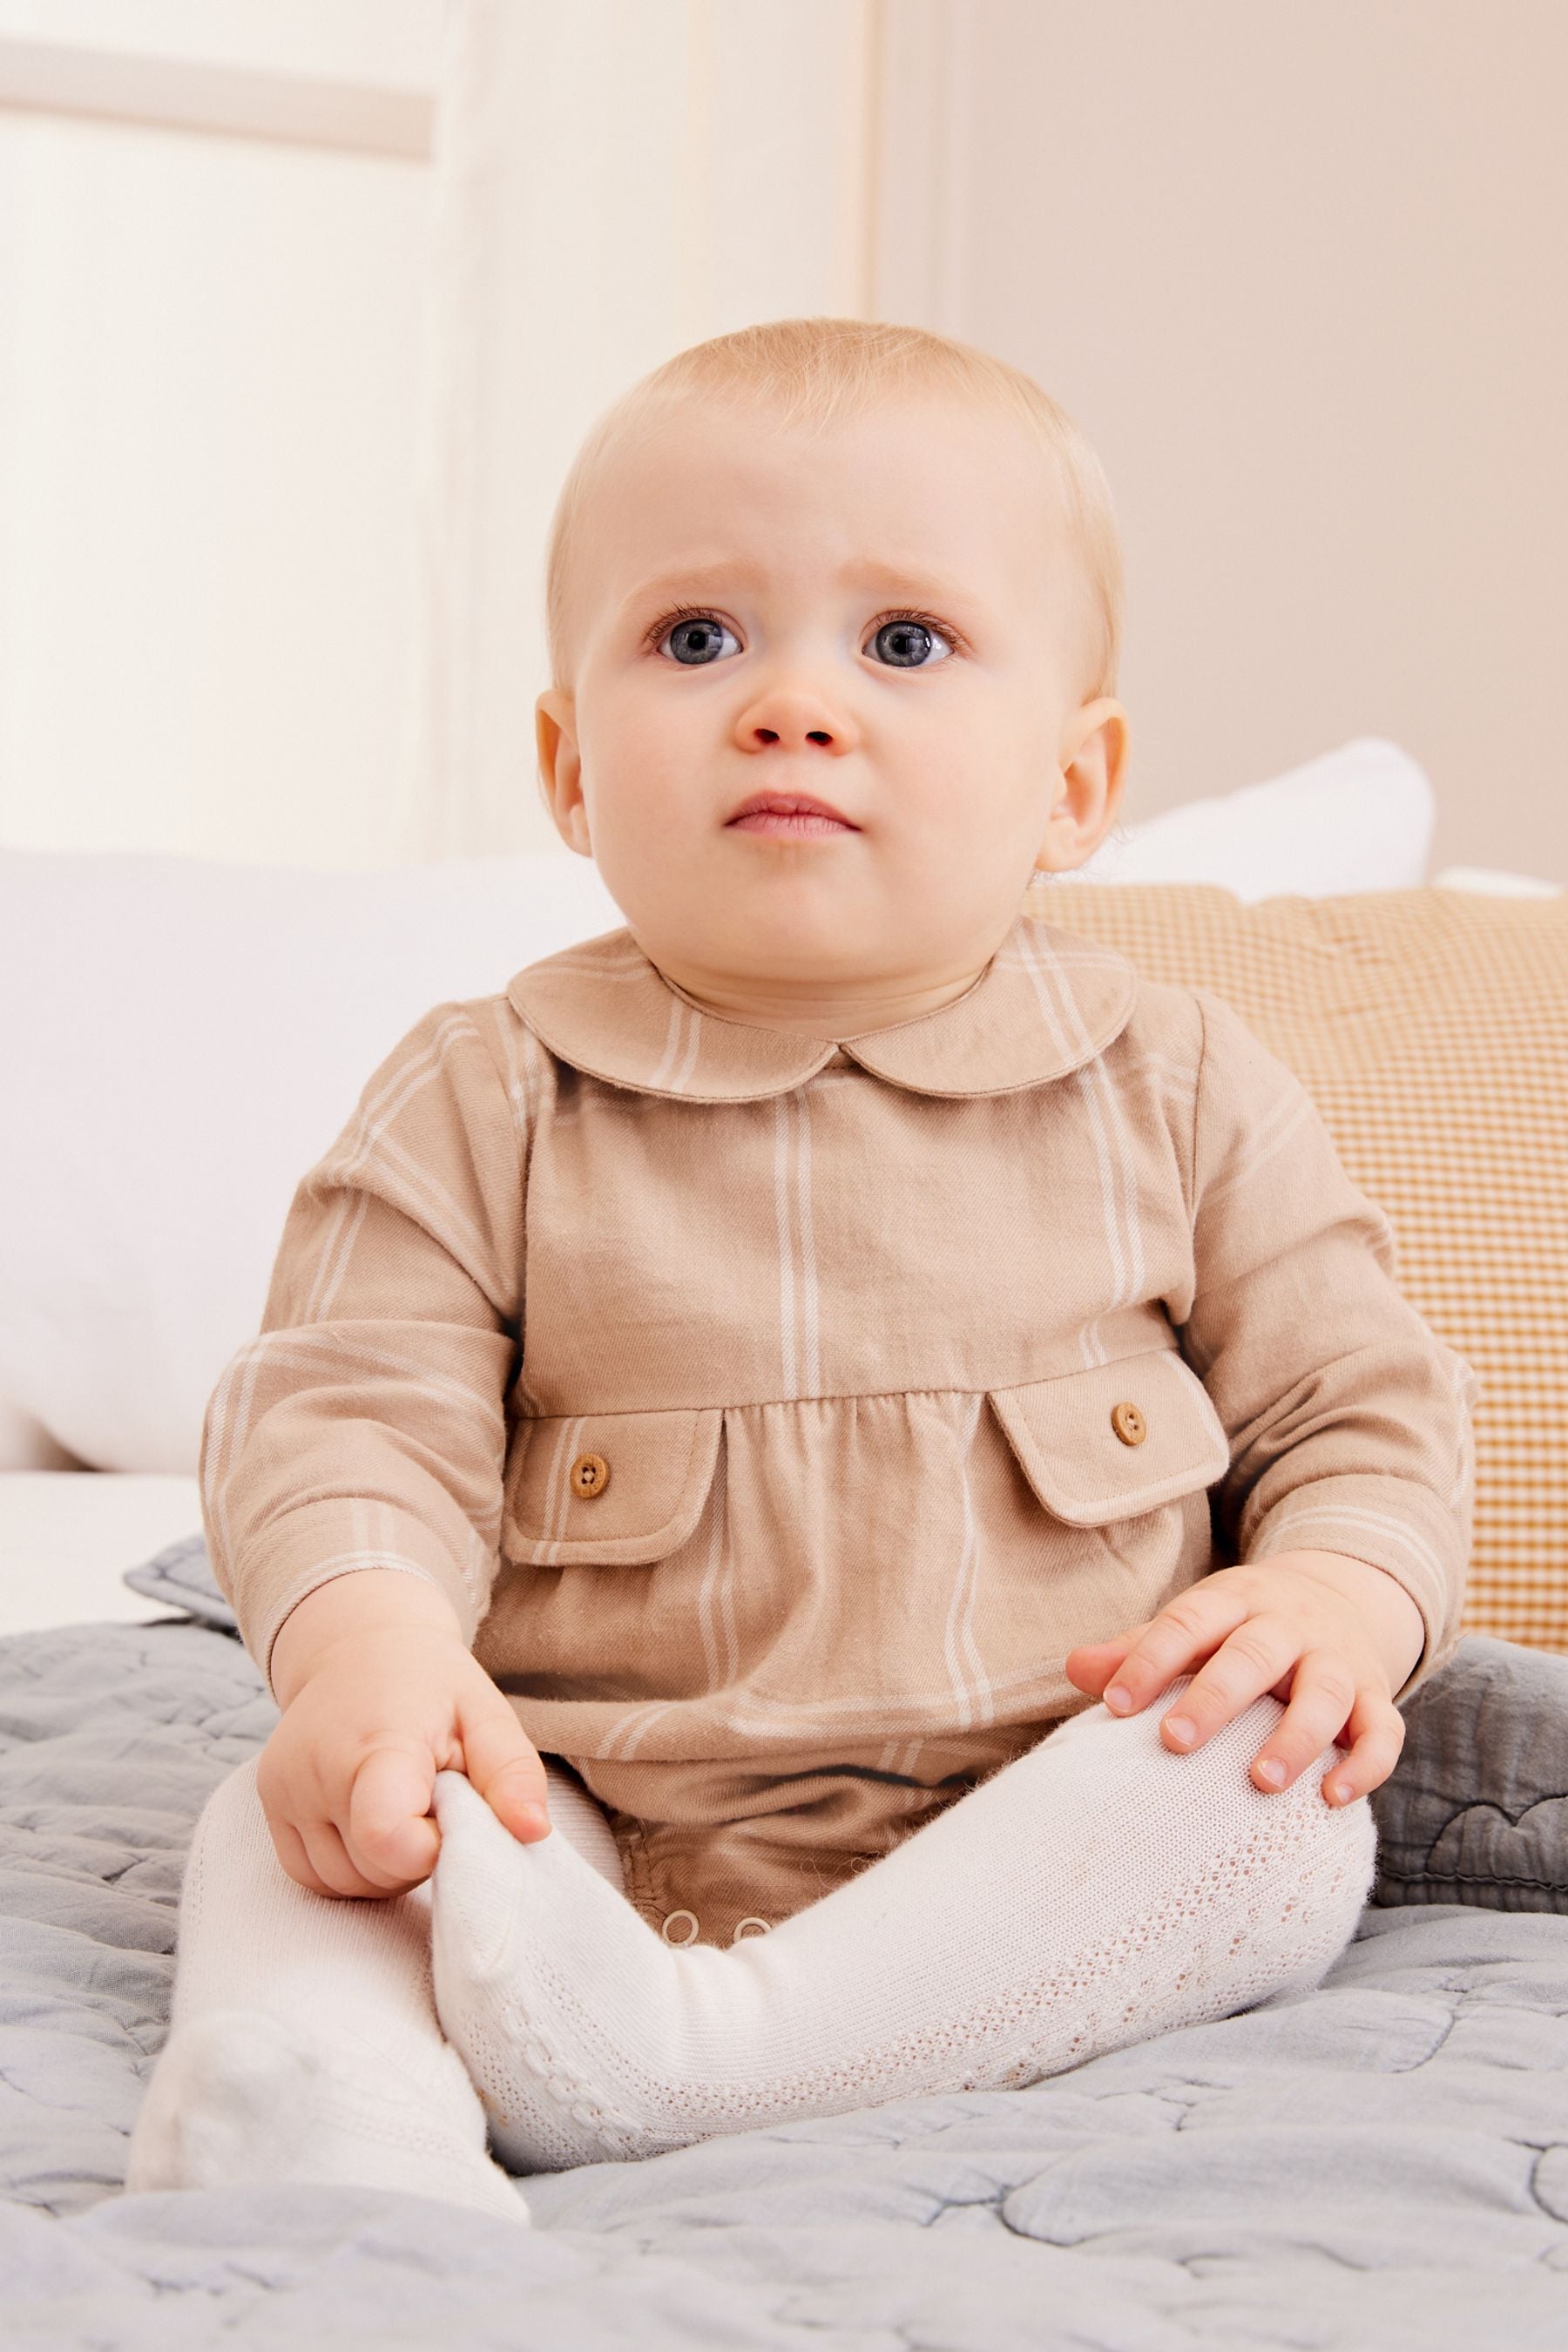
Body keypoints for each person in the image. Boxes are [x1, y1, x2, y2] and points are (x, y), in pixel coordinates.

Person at [125, 318, 1476, 2224]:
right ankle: (325, 2120)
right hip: (575, 1811)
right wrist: (373, 1650)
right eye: (697, 641)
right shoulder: (485, 1093)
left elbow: (1365, 1400)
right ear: (567, 763)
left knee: (1276, 1808)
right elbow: (349, 1408)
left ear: (1077, 783)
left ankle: (683, 2071)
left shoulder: (1175, 1088)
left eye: (903, 643)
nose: (791, 704)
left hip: (1045, 1816)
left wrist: (1338, 1589)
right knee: (304, 1826)